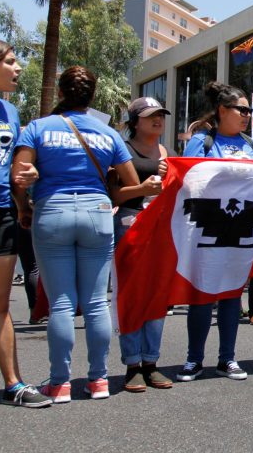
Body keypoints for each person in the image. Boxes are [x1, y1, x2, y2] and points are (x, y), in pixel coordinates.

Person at [13, 65, 141, 402]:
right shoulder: (107, 133)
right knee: (97, 302)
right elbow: (130, 181)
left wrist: (24, 207)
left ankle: (60, 383)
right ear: (92, 96)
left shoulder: (39, 128)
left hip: (51, 211)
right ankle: (98, 381)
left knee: (62, 304)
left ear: (60, 92)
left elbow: (18, 176)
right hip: (97, 213)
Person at [177, 82, 253, 382]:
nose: (247, 115)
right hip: (206, 226)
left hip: (240, 228)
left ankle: (228, 358)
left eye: (249, 111)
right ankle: (193, 360)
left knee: (230, 293)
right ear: (222, 110)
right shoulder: (202, 142)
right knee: (201, 294)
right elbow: (188, 179)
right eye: (242, 110)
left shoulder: (251, 146)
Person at [110, 97, 176, 392]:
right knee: (133, 293)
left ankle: (151, 361)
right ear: (135, 121)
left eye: (160, 114)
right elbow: (114, 195)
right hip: (131, 225)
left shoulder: (168, 151)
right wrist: (143, 188)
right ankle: (132, 364)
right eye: (150, 115)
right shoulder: (123, 151)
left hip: (162, 229)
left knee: (158, 294)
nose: (158, 119)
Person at [0, 41, 51, 408]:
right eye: (11, 62)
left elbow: (15, 169)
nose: (18, 68)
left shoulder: (11, 112)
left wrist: (23, 198)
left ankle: (14, 384)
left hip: (2, 212)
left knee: (0, 306)